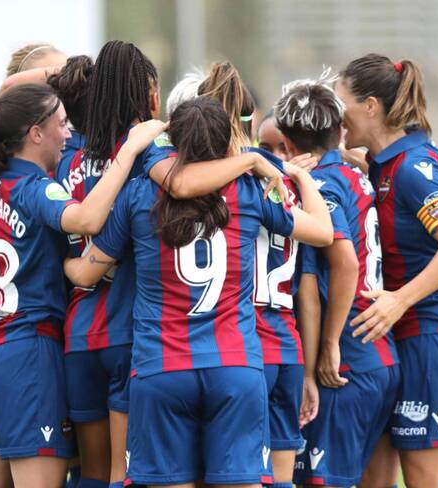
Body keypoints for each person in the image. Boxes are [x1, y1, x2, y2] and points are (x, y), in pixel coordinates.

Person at [63, 96, 333, 488]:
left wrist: (65, 264)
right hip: (234, 365)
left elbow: (87, 273)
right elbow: (322, 232)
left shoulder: (138, 195)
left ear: (173, 143)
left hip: (161, 367)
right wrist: (302, 177)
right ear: (227, 145)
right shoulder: (248, 191)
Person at [0, 83, 165, 488]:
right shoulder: (36, 187)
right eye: (62, 124)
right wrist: (129, 151)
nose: (69, 134)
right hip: (25, 352)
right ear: (36, 133)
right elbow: (86, 219)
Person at [335, 53, 438, 488]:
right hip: (410, 332)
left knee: (426, 479)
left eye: (343, 107)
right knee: (375, 474)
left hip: (433, 338)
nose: (340, 120)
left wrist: (402, 299)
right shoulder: (383, 164)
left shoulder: (415, 167)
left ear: (371, 106)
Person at [272, 73, 399, 488]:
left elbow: (343, 263)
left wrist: (326, 347)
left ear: (289, 144)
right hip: (381, 357)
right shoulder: (355, 176)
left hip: (346, 362)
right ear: (340, 129)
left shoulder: (321, 186)